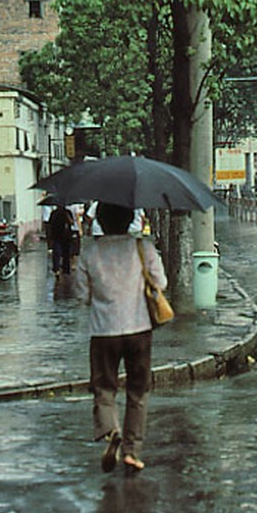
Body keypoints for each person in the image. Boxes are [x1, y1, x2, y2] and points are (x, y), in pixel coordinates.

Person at [75, 202, 167, 474]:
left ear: (101, 219)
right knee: (138, 392)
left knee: (104, 388)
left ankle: (111, 429)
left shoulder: (90, 253)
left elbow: (82, 295)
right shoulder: (143, 248)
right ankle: (131, 452)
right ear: (129, 219)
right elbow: (160, 284)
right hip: (138, 328)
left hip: (104, 332)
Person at [46, 203, 75, 278]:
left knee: (66, 253)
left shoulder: (68, 212)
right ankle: (57, 269)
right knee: (57, 253)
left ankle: (66, 270)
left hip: (66, 236)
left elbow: (72, 223)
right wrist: (50, 236)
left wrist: (67, 217)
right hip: (57, 236)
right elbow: (50, 224)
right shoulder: (54, 213)